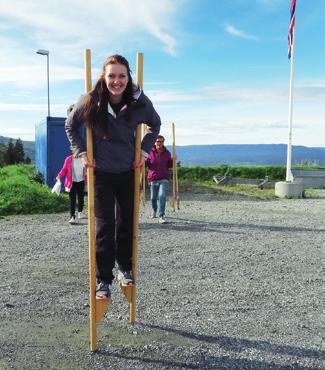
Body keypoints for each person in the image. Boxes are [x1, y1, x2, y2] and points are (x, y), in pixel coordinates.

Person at [65, 54, 161, 299]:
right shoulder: (90, 99)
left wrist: (146, 150)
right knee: (104, 226)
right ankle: (103, 280)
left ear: (129, 77)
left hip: (129, 170)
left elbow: (155, 125)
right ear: (103, 77)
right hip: (101, 172)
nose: (117, 81)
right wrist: (81, 152)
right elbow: (70, 125)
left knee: (127, 223)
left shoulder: (140, 101)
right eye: (112, 76)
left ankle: (124, 269)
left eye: (122, 76)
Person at [146, 135, 173, 224]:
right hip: (153, 178)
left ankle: (161, 215)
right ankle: (154, 211)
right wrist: (143, 161)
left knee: (162, 195)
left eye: (161, 141)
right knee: (153, 198)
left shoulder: (167, 153)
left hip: (164, 178)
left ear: (163, 142)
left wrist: (173, 160)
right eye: (158, 141)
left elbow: (169, 165)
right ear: (155, 142)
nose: (159, 143)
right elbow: (147, 165)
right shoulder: (150, 152)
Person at [56, 154, 86, 224]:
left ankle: (80, 212)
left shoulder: (84, 159)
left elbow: (88, 169)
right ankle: (72, 217)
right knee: (72, 199)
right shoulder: (68, 159)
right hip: (72, 182)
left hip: (81, 181)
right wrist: (59, 176)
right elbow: (64, 169)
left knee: (81, 197)